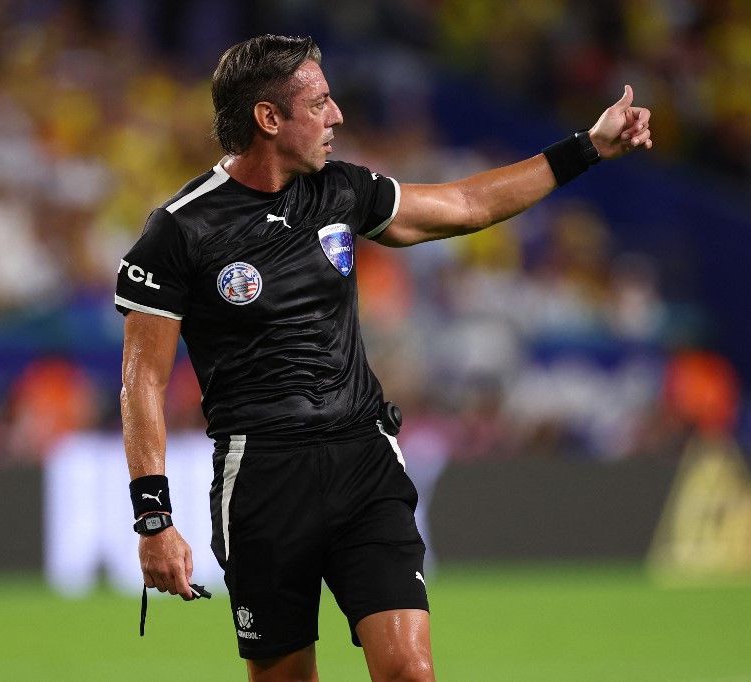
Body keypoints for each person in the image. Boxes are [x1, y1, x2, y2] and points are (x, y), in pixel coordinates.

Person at [116, 34, 652, 682]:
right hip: (263, 478)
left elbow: (465, 204)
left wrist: (586, 148)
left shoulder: (342, 190)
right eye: (319, 102)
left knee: (409, 671)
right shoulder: (180, 229)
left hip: (363, 460)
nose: (338, 114)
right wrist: (154, 518)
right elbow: (142, 381)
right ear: (268, 118)